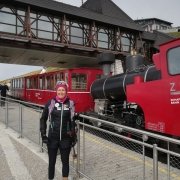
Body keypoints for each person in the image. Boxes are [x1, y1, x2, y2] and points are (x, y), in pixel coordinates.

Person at [40, 81, 77, 180]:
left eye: (63, 90)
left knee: (65, 162)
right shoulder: (51, 103)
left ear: (66, 91)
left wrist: (74, 137)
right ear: (56, 91)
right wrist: (43, 134)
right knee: (51, 162)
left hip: (66, 139)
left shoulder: (71, 103)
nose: (61, 92)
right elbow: (43, 119)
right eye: (59, 90)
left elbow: (72, 121)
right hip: (52, 138)